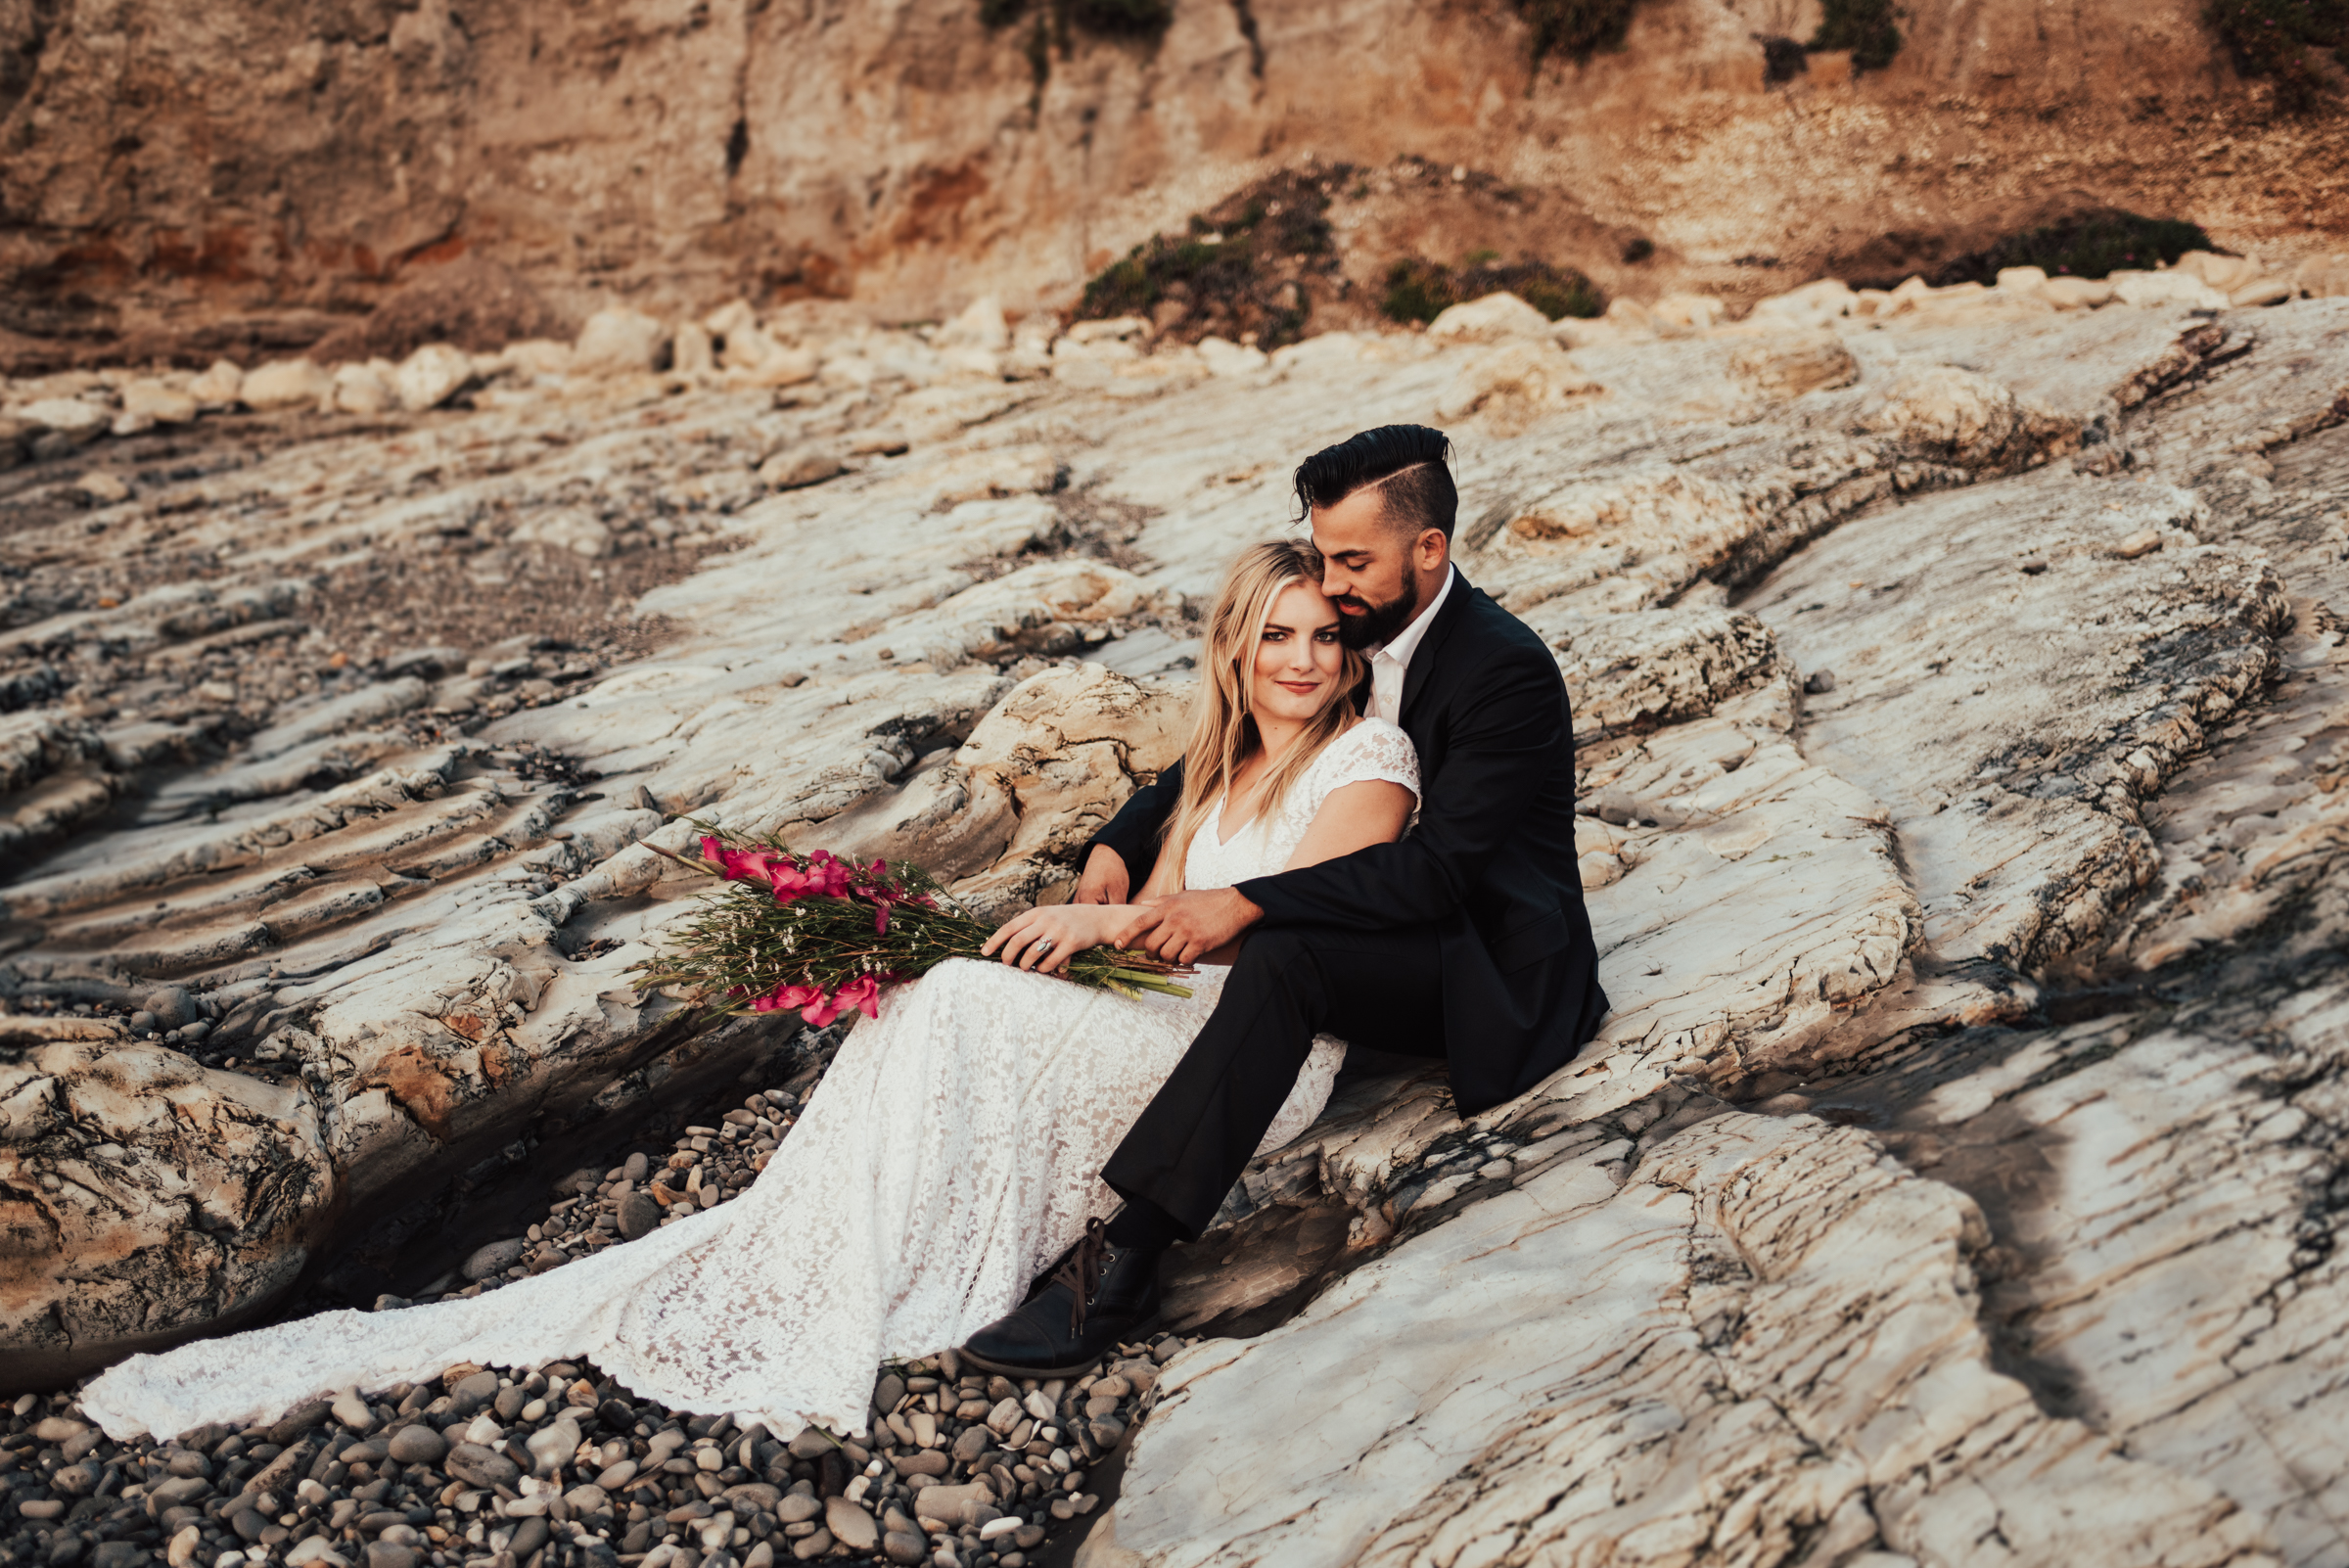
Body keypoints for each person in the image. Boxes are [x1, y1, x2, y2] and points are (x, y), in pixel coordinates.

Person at [79, 537, 1423, 1443]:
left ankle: (918, 1261)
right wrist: (1106, 890)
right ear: (1234, 646)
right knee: (933, 994)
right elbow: (1153, 865)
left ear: (1355, 651)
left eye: (1323, 637)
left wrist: (1107, 924)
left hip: (1250, 1042)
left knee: (967, 1000)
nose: (1300, 659)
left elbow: (1285, 925)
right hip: (1162, 999)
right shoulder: (1219, 756)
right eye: (1274, 635)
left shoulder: (1366, 763)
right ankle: (846, 1235)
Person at [958, 424, 1608, 1376]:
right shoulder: (1357, 626)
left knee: (1282, 949)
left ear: (1429, 549)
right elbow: (1228, 746)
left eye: (1353, 562)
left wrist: (1240, 902)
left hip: (1484, 965)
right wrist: (1118, 842)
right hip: (1384, 928)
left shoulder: (1501, 669)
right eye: (1324, 554)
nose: (1331, 584)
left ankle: (1125, 1259)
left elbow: (1435, 876)